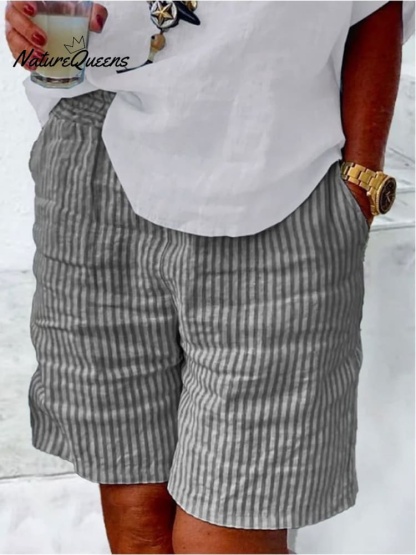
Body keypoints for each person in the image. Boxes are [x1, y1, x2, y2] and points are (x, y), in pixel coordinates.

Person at [4, 1, 415, 553]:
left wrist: (361, 182)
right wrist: (29, 27)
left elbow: (377, 6)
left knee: (226, 533)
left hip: (278, 172)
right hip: (97, 163)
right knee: (138, 520)